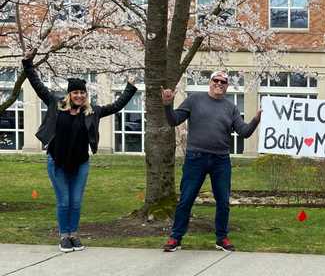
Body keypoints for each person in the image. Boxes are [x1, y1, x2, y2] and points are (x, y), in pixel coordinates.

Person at [22, 52, 137, 253]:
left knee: (75, 202)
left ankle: (74, 234)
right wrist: (27, 63)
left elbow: (117, 106)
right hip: (56, 161)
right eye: (75, 93)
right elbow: (36, 84)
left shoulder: (92, 112)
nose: (79, 96)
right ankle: (64, 236)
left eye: (82, 93)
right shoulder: (55, 104)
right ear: (69, 94)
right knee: (64, 201)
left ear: (86, 94)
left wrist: (130, 87)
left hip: (81, 163)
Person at [161, 71, 261, 252]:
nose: (219, 84)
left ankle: (221, 238)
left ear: (227, 86)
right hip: (195, 158)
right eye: (216, 80)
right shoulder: (194, 100)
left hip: (220, 160)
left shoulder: (231, 107)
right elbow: (174, 120)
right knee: (186, 199)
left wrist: (255, 120)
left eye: (223, 82)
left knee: (223, 201)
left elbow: (244, 132)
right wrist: (167, 105)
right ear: (210, 82)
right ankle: (175, 238)